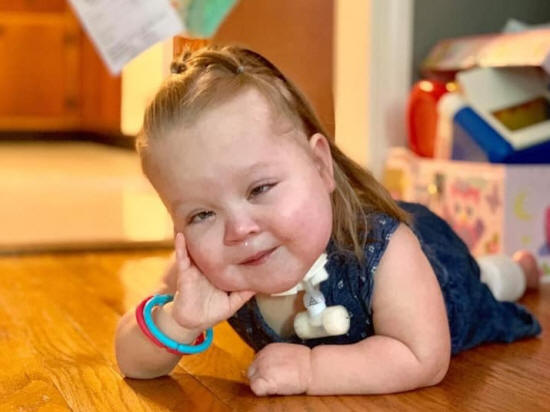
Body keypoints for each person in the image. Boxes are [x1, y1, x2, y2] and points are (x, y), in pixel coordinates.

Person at [115, 45, 542, 396]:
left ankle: (517, 270)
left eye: (260, 189)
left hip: (442, 273)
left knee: (488, 282)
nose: (239, 230)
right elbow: (130, 360)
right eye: (202, 214)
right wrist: (178, 320)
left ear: (320, 166)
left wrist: (311, 369)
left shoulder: (386, 249)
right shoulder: (204, 270)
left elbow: (422, 357)